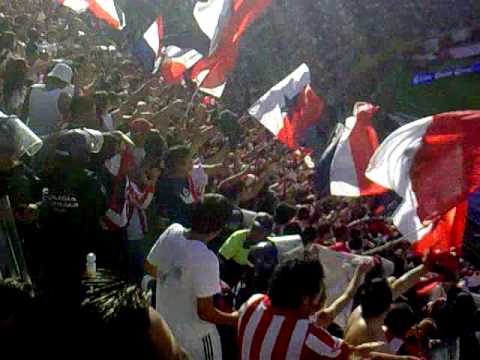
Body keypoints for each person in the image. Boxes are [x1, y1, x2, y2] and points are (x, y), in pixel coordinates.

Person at [238, 251, 381, 359]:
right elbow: (351, 354)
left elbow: (343, 300)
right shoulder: (311, 337)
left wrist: (359, 272)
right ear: (306, 300)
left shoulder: (252, 303)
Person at [145, 194, 238, 360]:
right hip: (196, 340)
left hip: (166, 331)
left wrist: (175, 282)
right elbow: (205, 313)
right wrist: (236, 319)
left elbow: (149, 266)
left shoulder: (172, 231)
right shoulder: (207, 258)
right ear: (218, 229)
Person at [219, 212, 274, 288]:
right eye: (254, 228)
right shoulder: (239, 236)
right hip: (232, 274)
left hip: (253, 278)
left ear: (267, 233)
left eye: (260, 231)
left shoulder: (269, 246)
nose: (255, 232)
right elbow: (221, 258)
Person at [25, 62, 74, 136]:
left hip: (31, 135)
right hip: (50, 140)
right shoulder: (64, 96)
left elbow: (23, 115)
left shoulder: (33, 89)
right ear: (64, 82)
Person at [154, 144, 196, 227]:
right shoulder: (168, 184)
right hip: (177, 228)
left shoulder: (184, 178)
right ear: (178, 165)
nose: (192, 163)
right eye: (189, 161)